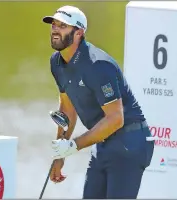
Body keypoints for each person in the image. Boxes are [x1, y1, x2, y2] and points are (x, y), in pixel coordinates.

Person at [41, 5, 155, 199]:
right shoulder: (57, 62)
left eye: (63, 25)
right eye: (54, 24)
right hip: (103, 143)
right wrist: (60, 155)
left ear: (79, 33)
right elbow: (67, 110)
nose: (55, 29)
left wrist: (73, 146)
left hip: (130, 141)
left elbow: (115, 119)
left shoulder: (98, 65)